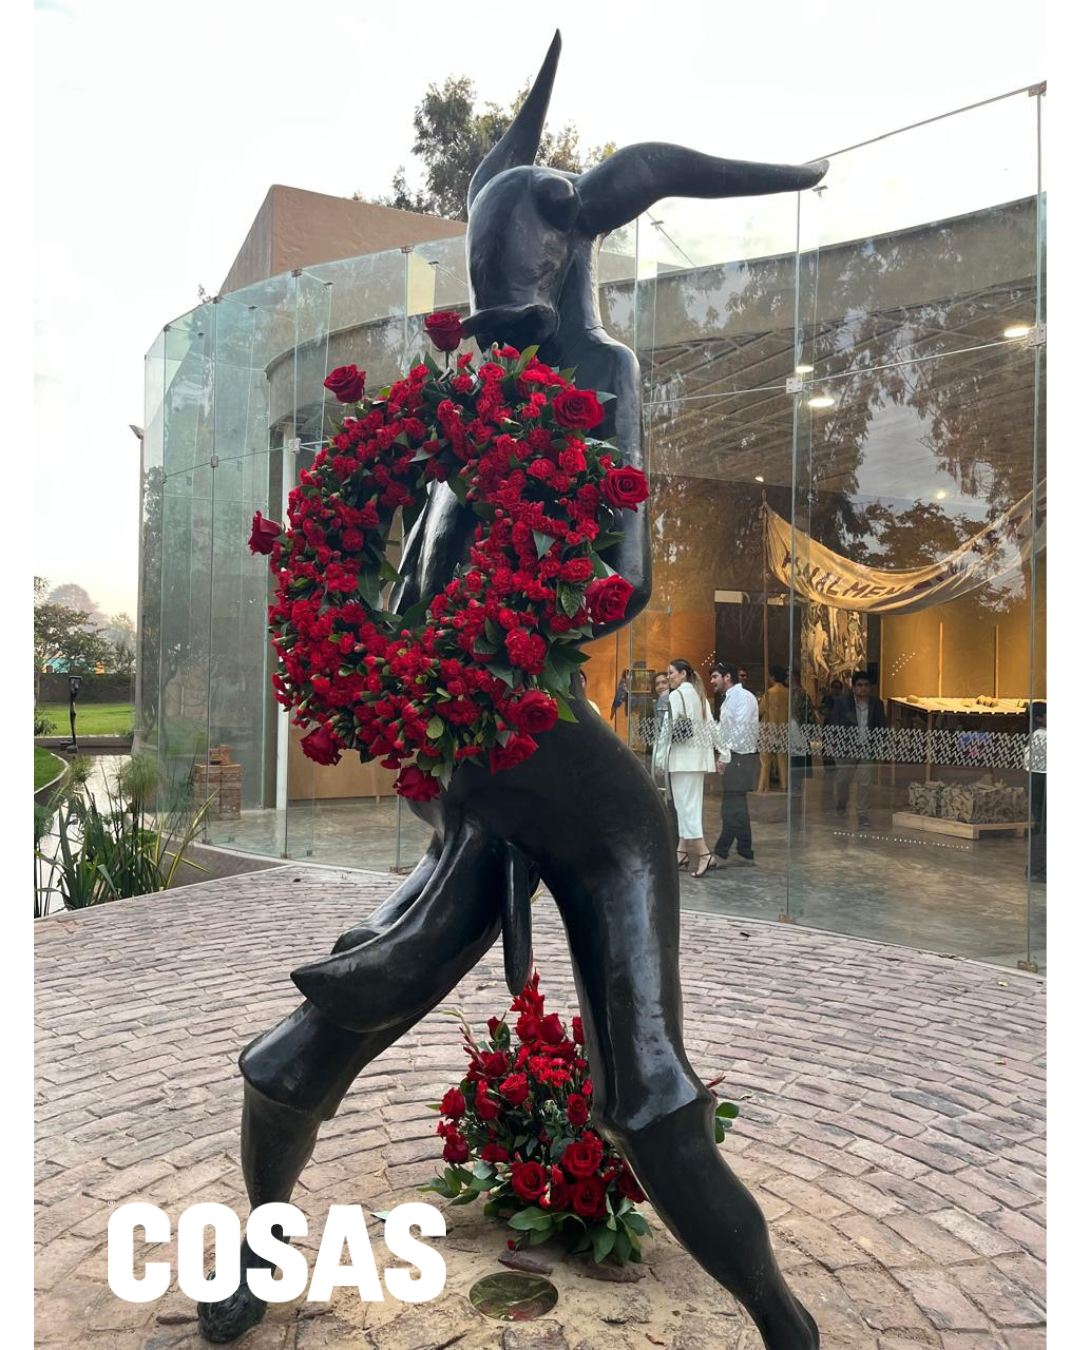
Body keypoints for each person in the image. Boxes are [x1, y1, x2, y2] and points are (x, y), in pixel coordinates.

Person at [665, 658, 714, 877]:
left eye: (671, 673)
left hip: (681, 759)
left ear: (683, 674)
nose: (668, 678)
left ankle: (704, 853)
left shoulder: (676, 696)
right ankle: (681, 851)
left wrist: (659, 758)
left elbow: (668, 729)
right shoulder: (701, 697)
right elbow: (712, 726)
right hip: (698, 760)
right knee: (689, 805)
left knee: (686, 808)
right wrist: (724, 753)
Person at [708, 662, 760, 866]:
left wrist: (725, 755)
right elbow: (725, 730)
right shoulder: (729, 700)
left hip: (741, 757)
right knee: (738, 807)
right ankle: (745, 851)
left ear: (727, 677)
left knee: (731, 808)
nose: (712, 681)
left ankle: (721, 852)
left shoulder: (743, 698)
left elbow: (740, 730)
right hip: (734, 757)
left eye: (714, 677)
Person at [828, 669, 886, 828]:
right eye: (859, 685)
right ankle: (841, 805)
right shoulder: (842, 703)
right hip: (846, 748)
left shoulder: (877, 704)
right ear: (853, 687)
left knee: (865, 782)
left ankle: (862, 813)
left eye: (866, 685)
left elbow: (882, 727)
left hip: (867, 748)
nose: (863, 688)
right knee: (842, 781)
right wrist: (833, 744)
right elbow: (834, 724)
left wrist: (880, 747)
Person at [757, 666, 790, 793]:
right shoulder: (788, 693)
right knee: (782, 758)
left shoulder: (770, 692)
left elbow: (761, 710)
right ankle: (784, 787)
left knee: (765, 760)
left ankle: (761, 787)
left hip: (769, 728)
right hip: (783, 728)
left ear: (774, 677)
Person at [1025, 701, 1046, 882]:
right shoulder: (1040, 736)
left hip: (1039, 780)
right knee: (1043, 826)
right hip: (1041, 781)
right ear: (1039, 718)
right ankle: (1038, 870)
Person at [789, 668, 817, 796]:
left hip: (798, 729)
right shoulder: (792, 693)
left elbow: (807, 715)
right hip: (794, 728)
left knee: (797, 758)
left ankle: (796, 786)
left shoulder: (800, 694)